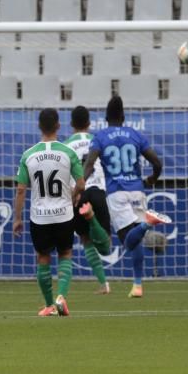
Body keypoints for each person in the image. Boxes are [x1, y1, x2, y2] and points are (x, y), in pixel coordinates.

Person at [83, 95, 171, 298]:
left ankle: (146, 224)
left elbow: (90, 163)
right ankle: (138, 285)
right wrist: (152, 179)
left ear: (106, 118)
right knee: (137, 241)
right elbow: (157, 163)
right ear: (123, 116)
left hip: (116, 192)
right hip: (137, 190)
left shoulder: (101, 136)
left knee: (129, 242)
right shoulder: (135, 135)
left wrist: (81, 184)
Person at [13, 108, 86, 316]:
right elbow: (81, 184)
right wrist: (71, 197)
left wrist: (17, 218)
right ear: (59, 126)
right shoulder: (68, 152)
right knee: (65, 254)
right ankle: (61, 297)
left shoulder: (28, 155)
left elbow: (20, 190)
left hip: (40, 217)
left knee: (43, 257)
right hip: (64, 214)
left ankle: (48, 305)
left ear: (39, 127)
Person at [64, 106, 114, 295]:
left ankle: (103, 284)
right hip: (98, 190)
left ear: (71, 124)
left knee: (85, 240)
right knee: (106, 245)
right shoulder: (98, 140)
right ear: (89, 123)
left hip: (79, 192)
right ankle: (92, 217)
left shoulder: (66, 145)